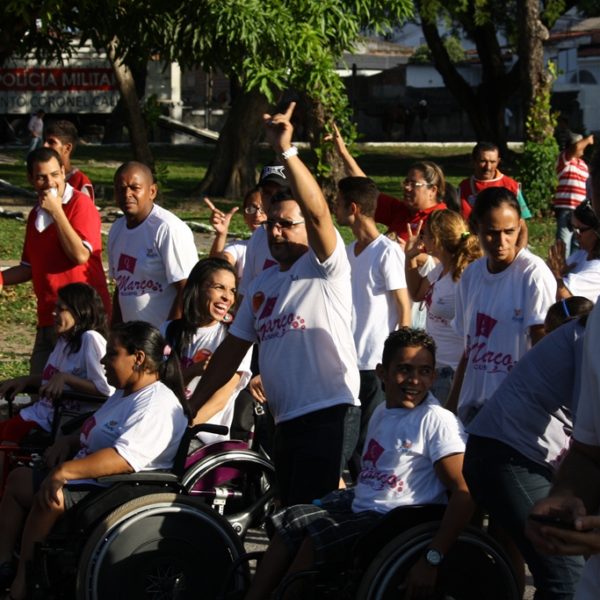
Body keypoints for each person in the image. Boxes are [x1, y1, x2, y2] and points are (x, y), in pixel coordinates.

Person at [188, 102, 361, 507]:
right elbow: (230, 353)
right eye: (271, 224)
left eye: (287, 224)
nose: (276, 231)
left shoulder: (324, 267)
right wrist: (192, 407)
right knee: (289, 515)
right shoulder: (262, 285)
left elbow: (318, 213)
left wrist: (286, 150)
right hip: (285, 418)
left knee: (308, 516)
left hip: (328, 411)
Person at [243, 328, 473, 600]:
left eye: (424, 371)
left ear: (434, 376)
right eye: (404, 369)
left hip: (397, 519)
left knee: (317, 537)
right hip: (365, 505)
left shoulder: (436, 420)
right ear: (382, 372)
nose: (414, 380)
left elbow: (464, 492)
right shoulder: (381, 412)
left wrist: (432, 557)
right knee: (289, 520)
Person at [0, 320, 189, 599]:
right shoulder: (125, 393)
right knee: (18, 481)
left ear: (137, 358)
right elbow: (96, 429)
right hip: (92, 479)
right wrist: (68, 441)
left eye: (112, 354)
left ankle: (23, 585)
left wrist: (64, 472)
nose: (103, 361)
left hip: (119, 487)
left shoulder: (156, 404)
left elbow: (123, 458)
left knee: (51, 496)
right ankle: (4, 565)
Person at [463, 310, 592, 599]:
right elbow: (590, 427)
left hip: (515, 451)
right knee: (568, 579)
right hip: (506, 455)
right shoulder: (590, 336)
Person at [446, 186, 556, 426]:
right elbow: (469, 348)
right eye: (492, 233)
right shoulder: (471, 275)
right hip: (473, 412)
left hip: (516, 412)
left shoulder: (533, 274)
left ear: (520, 227)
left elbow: (543, 347)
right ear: (475, 227)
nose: (501, 242)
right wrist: (451, 408)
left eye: (509, 231)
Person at [0, 148, 110, 375]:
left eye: (54, 174)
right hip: (49, 317)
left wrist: (57, 212)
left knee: (80, 389)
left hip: (82, 320)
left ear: (63, 172)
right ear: (31, 179)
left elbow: (80, 255)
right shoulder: (36, 215)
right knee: (39, 383)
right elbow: (28, 268)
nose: (49, 182)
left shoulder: (80, 204)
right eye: (41, 177)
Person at [334, 175, 411, 478]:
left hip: (375, 362)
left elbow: (404, 305)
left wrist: (400, 358)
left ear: (353, 208)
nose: (334, 208)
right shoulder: (347, 252)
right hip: (347, 361)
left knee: (368, 441)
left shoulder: (386, 252)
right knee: (347, 439)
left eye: (338, 203)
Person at [0, 283, 112, 448]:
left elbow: (106, 390)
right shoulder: (64, 340)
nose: (54, 313)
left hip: (63, 420)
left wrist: (66, 378)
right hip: (42, 414)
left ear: (80, 312)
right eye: (55, 308)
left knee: (9, 436)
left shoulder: (90, 339)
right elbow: (52, 380)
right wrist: (26, 380)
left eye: (61, 309)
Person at [163, 258, 252, 445]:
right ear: (197, 288)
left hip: (199, 436)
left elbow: (219, 400)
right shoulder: (169, 330)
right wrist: (191, 371)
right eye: (219, 287)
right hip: (161, 422)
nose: (227, 297)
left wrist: (181, 428)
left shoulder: (235, 338)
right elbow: (152, 385)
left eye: (232, 290)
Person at [404, 209, 482, 404]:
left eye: (425, 234)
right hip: (437, 367)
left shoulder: (464, 276)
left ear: (436, 240)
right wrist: (410, 258)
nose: (422, 238)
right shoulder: (441, 269)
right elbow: (417, 293)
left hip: (453, 373)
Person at [108, 161, 198, 328]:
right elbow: (121, 287)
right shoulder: (116, 229)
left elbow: (187, 289)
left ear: (152, 191)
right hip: (131, 338)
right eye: (121, 189)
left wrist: (169, 334)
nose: (127, 194)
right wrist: (115, 331)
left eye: (135, 188)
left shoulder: (167, 228)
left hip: (160, 337)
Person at [324, 124, 447, 242]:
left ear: (432, 190)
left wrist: (410, 252)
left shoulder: (441, 220)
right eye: (406, 182)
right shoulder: (401, 210)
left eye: (414, 184)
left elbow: (443, 254)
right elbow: (365, 188)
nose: (407, 187)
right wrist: (342, 152)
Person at [458, 142, 532, 226]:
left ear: (498, 161)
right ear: (473, 161)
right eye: (483, 161)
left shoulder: (511, 186)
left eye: (493, 162)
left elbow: (521, 223)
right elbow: (458, 222)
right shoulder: (464, 188)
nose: (488, 167)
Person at [205, 187, 267, 281]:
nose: (257, 215)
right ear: (244, 216)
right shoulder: (238, 248)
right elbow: (216, 269)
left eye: (264, 208)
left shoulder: (286, 250)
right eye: (251, 209)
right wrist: (221, 235)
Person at [548, 199, 600, 302]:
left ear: (597, 231)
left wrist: (556, 273)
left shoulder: (597, 269)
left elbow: (563, 298)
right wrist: (560, 271)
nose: (576, 235)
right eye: (573, 228)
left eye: (580, 230)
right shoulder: (582, 254)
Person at [552, 132, 594, 256]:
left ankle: (574, 266)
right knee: (563, 243)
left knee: (578, 244)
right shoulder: (565, 158)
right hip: (566, 208)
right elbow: (575, 148)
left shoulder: (583, 165)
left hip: (580, 210)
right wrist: (588, 140)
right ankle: (561, 265)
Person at [43, 120, 95, 201]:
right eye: (45, 141)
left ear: (67, 148)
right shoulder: (45, 178)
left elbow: (85, 209)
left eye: (51, 142)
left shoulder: (80, 182)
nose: (45, 145)